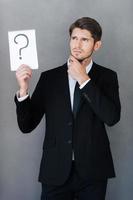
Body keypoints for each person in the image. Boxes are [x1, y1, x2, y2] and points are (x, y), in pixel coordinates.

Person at [15, 17, 121, 200]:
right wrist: (23, 91)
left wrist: (84, 80)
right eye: (74, 38)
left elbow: (111, 117)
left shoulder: (108, 77)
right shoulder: (50, 78)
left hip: (93, 171)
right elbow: (27, 125)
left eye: (84, 39)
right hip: (55, 171)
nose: (77, 45)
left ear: (97, 45)